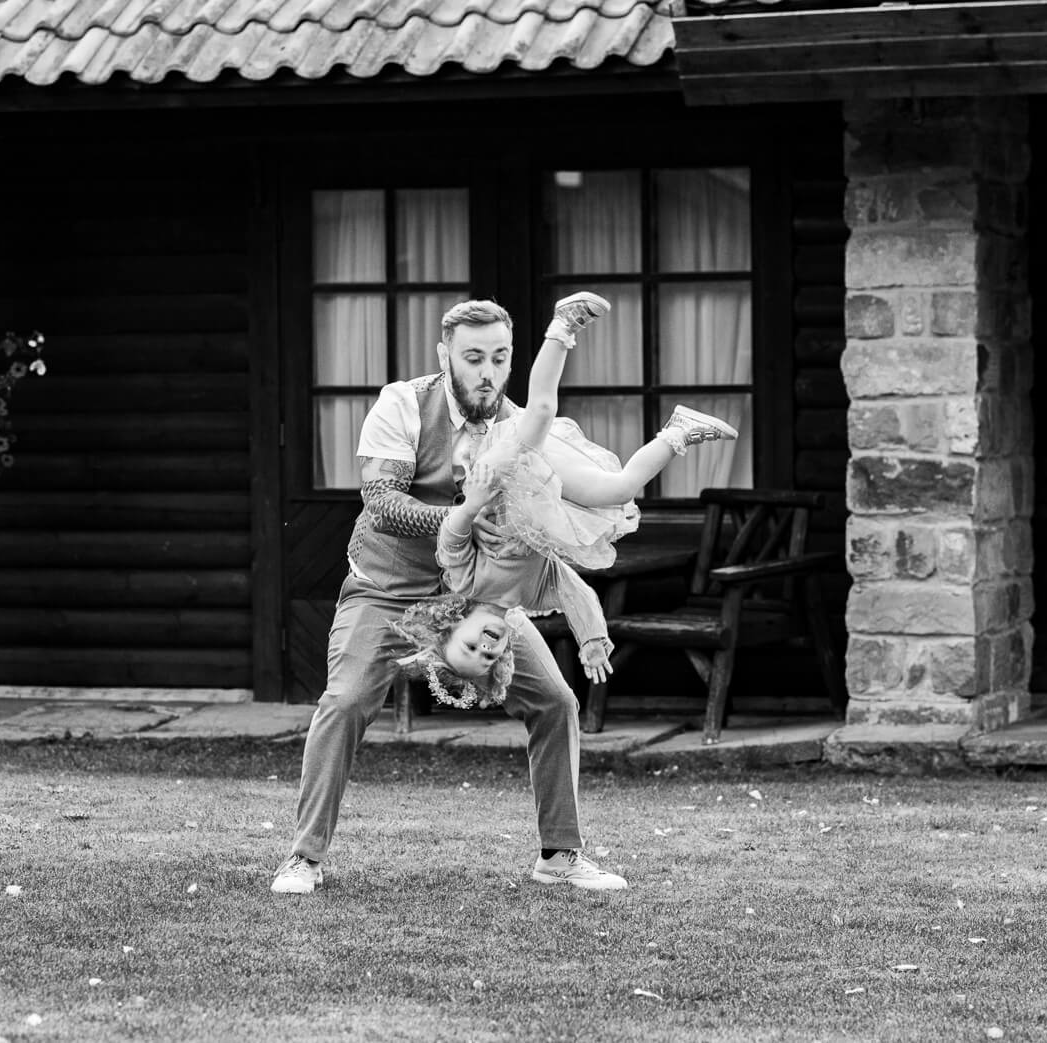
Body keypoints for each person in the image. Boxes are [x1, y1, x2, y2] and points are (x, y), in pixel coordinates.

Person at [269, 295, 726, 897]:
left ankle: (559, 854)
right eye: (473, 358)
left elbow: (567, 529)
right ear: (445, 356)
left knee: (556, 702)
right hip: (388, 590)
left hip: (478, 602)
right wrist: (459, 517)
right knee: (346, 699)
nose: (487, 373)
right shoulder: (403, 403)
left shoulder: (517, 426)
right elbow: (380, 502)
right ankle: (304, 858)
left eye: (500, 358)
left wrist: (585, 615)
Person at [390, 291, 739, 715]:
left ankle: (563, 325)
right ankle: (679, 431)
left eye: (470, 647)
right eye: (488, 658)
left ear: (452, 626)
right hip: (539, 490)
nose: (485, 647)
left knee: (539, 411)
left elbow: (451, 539)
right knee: (620, 490)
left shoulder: (464, 584)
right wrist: (591, 639)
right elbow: (576, 593)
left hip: (497, 477)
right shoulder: (533, 596)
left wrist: (471, 504)